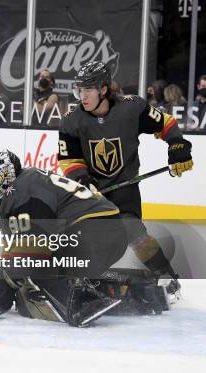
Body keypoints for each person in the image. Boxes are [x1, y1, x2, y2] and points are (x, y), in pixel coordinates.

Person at [0, 149, 169, 327]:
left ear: (5, 175)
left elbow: (26, 256)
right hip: (112, 233)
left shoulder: (17, 194)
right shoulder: (32, 178)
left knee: (35, 274)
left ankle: (81, 301)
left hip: (88, 235)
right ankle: (142, 294)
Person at [58, 61, 193, 298]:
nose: (82, 95)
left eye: (87, 89)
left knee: (134, 232)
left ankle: (165, 276)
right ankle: (82, 280)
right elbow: (69, 161)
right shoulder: (72, 120)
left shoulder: (132, 108)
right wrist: (84, 182)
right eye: (79, 89)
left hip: (125, 187)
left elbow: (166, 123)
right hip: (92, 190)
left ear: (103, 89)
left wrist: (177, 145)